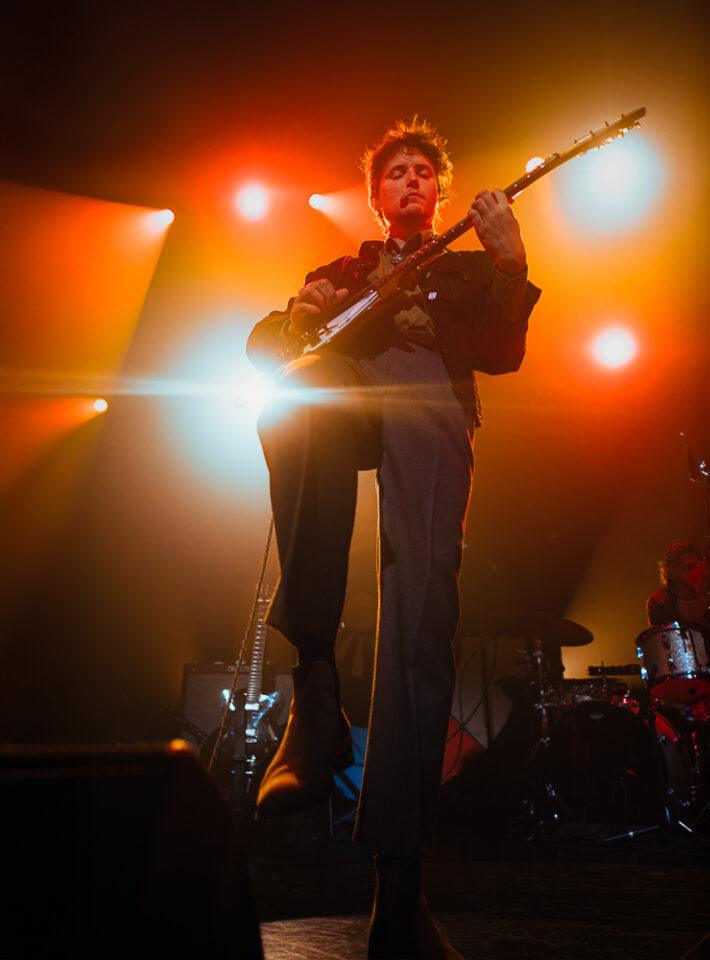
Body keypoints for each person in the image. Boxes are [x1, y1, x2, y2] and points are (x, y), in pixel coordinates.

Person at [246, 118, 540, 960]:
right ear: (377, 197)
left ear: (438, 192)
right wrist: (294, 319)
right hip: (348, 383)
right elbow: (266, 349)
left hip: (429, 395)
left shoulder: (466, 264)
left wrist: (511, 263)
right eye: (395, 172)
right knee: (294, 400)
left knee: (419, 611)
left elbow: (504, 354)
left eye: (422, 171)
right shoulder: (343, 271)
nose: (410, 180)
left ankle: (399, 883)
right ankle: (315, 692)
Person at [646, 541, 710, 628]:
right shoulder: (659, 602)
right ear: (674, 571)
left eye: (697, 567)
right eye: (690, 568)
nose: (696, 572)